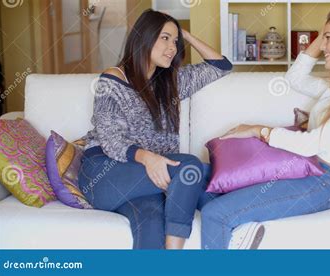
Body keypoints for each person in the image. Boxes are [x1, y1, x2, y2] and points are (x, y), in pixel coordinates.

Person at [199, 7, 330, 249]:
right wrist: (325, 33)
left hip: (322, 183)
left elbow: (312, 143)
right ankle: (244, 233)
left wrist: (259, 130)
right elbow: (294, 77)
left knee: (215, 214)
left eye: (329, 39)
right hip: (305, 169)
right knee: (205, 184)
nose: (322, 47)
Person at [78, 10, 232, 249]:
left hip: (147, 179)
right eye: (165, 38)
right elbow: (110, 138)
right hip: (104, 174)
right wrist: (148, 158)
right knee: (191, 169)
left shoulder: (171, 83)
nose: (172, 47)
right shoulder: (113, 78)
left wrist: (184, 34)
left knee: (150, 222)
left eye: (175, 41)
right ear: (145, 37)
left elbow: (221, 66)